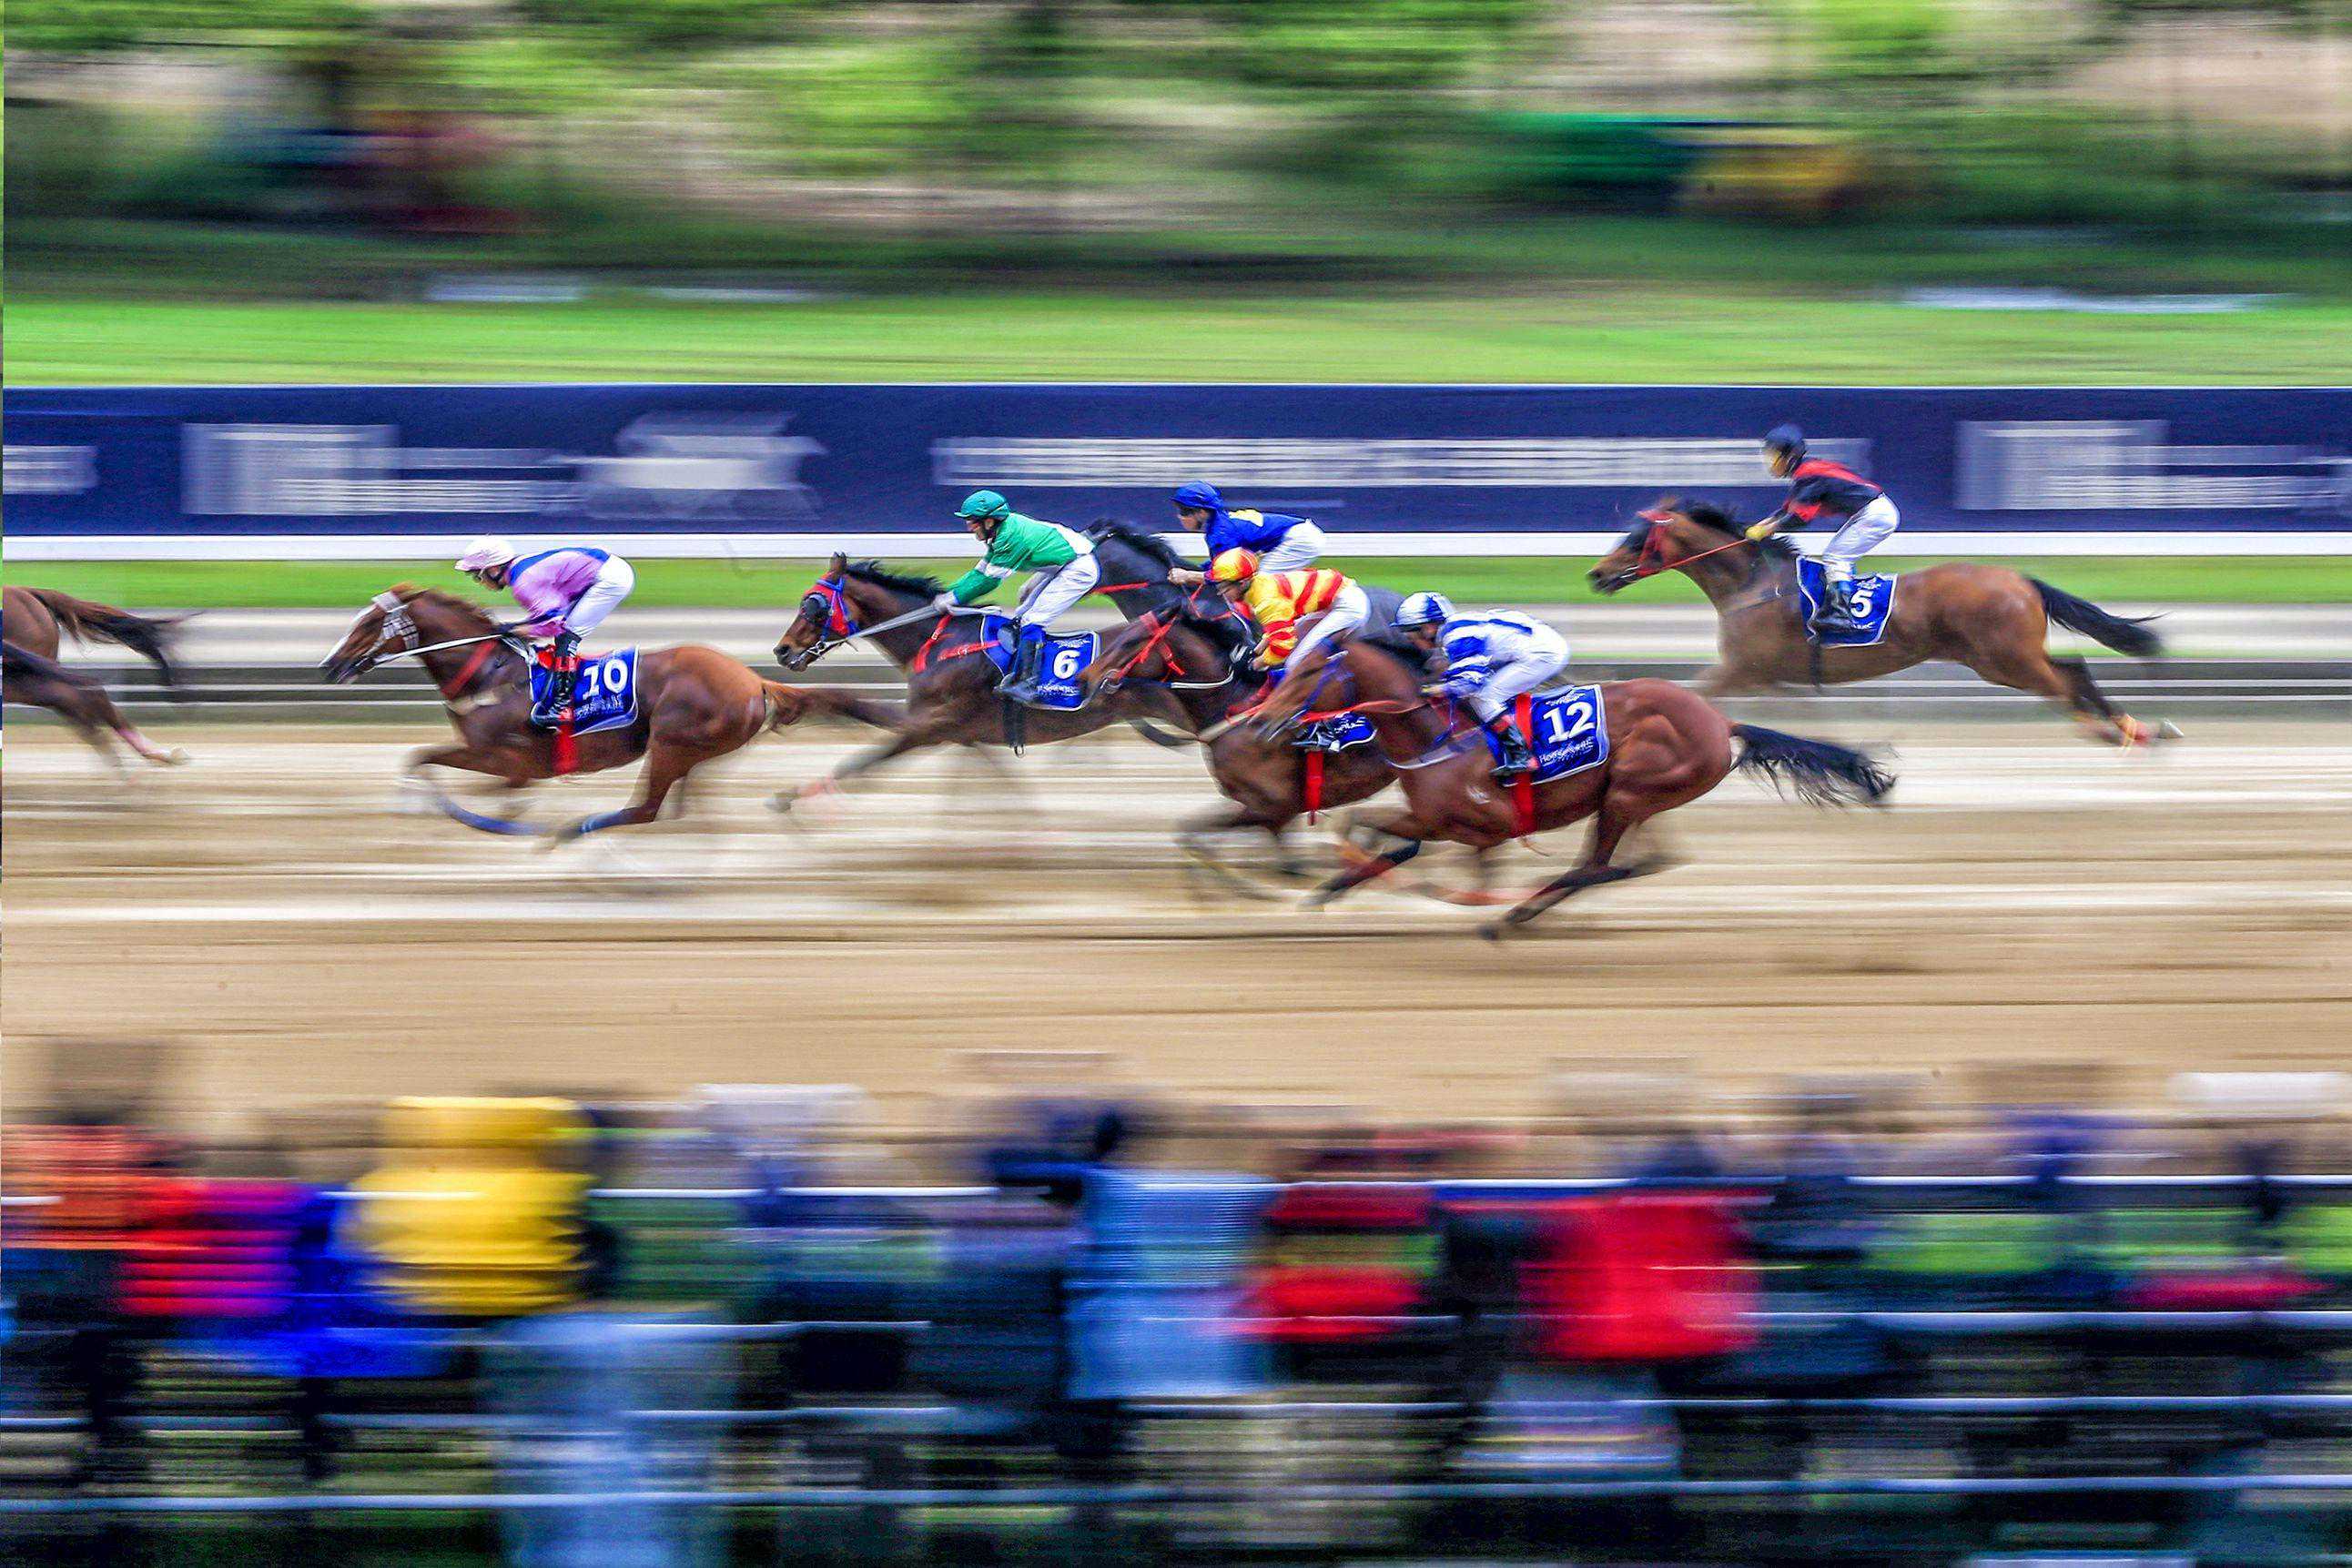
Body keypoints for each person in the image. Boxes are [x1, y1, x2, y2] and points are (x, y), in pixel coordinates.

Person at [936, 490, 1102, 703]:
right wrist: (949, 593)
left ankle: (1028, 684)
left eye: (973, 521)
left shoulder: (1010, 538)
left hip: (1078, 569)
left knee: (1033, 620)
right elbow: (979, 572)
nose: (969, 526)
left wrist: (953, 599)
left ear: (990, 521)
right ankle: (1019, 668)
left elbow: (989, 581)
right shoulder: (1000, 532)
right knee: (1022, 613)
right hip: (1062, 563)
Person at [455, 537, 635, 726]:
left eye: (477, 576)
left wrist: (518, 629)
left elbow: (554, 624)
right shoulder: (519, 571)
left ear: (493, 570)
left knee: (566, 636)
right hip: (602, 570)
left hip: (610, 579)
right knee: (560, 632)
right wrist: (518, 627)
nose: (479, 582)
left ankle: (562, 708)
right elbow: (549, 614)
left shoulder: (523, 584)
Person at [1392, 592, 1569, 779]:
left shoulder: (1456, 637)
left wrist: (1434, 690)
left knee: (1484, 697)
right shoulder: (1455, 628)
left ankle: (1521, 755)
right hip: (1536, 646)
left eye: (1411, 635)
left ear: (1428, 628)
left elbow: (1470, 684)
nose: (1411, 641)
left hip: (1542, 654)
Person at [1745, 425, 1898, 634]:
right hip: (1870, 512)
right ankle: (1839, 601)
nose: (1770, 462)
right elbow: (1786, 511)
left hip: (1875, 515)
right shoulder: (1805, 472)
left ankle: (1842, 615)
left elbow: (1799, 519)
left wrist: (1766, 530)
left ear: (1790, 456)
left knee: (1836, 557)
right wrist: (1761, 526)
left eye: (1774, 456)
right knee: (1836, 556)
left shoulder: (1808, 475)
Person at [1207, 549, 1369, 683]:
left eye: (1225, 589)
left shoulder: (1266, 601)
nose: (1222, 594)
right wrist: (1255, 652)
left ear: (1242, 583)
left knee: (1294, 664)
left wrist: (1255, 665)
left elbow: (1282, 647)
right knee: (1294, 650)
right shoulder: (1258, 584)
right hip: (1335, 600)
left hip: (1347, 607)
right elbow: (1279, 628)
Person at [1167, 483, 1326, 587]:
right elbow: (1218, 566)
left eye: (1184, 511)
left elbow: (1225, 575)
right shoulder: (1219, 526)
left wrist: (1188, 575)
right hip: (1300, 536)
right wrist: (1193, 570)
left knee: (1259, 586)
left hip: (1300, 540)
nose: (1179, 517)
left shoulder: (1221, 534)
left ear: (1201, 512)